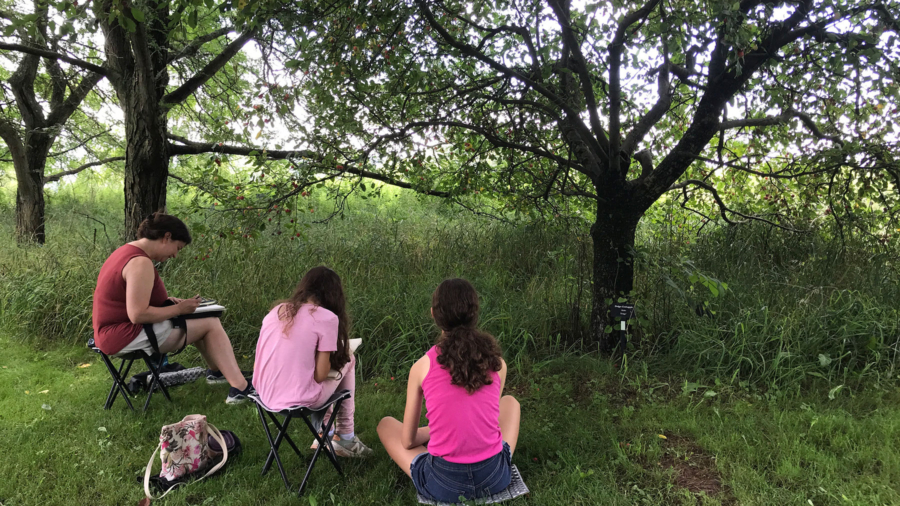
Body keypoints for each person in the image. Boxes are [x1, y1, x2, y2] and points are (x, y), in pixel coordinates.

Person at [377, 278, 521, 503]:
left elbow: (407, 442)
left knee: (386, 424)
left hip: (444, 484)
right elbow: (488, 418)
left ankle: (438, 435)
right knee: (510, 402)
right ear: (475, 314)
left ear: (433, 314)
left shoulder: (422, 366)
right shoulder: (497, 363)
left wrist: (430, 432)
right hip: (495, 478)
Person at [91, 212, 253, 404]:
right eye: (177, 248)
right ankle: (241, 388)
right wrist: (179, 310)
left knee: (200, 321)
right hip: (124, 336)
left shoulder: (125, 252)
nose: (175, 255)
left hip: (111, 335)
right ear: (166, 237)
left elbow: (129, 298)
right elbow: (137, 314)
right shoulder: (140, 262)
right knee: (210, 323)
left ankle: (217, 373)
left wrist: (168, 302)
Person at [253, 266, 372, 458]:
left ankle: (324, 433)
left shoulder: (276, 311)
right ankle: (344, 435)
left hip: (265, 395)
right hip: (301, 400)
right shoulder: (326, 318)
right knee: (349, 359)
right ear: (334, 295)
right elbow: (320, 375)